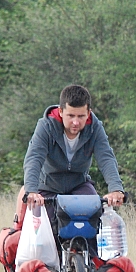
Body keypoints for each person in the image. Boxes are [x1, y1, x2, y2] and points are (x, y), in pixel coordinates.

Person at [22, 85, 125, 253]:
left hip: (79, 184)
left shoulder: (95, 128)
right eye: (70, 115)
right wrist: (32, 191)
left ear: (88, 113)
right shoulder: (46, 126)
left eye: (81, 116)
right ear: (61, 111)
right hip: (48, 187)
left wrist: (115, 189)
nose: (76, 122)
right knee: (47, 236)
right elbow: (34, 158)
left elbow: (106, 157)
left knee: (93, 218)